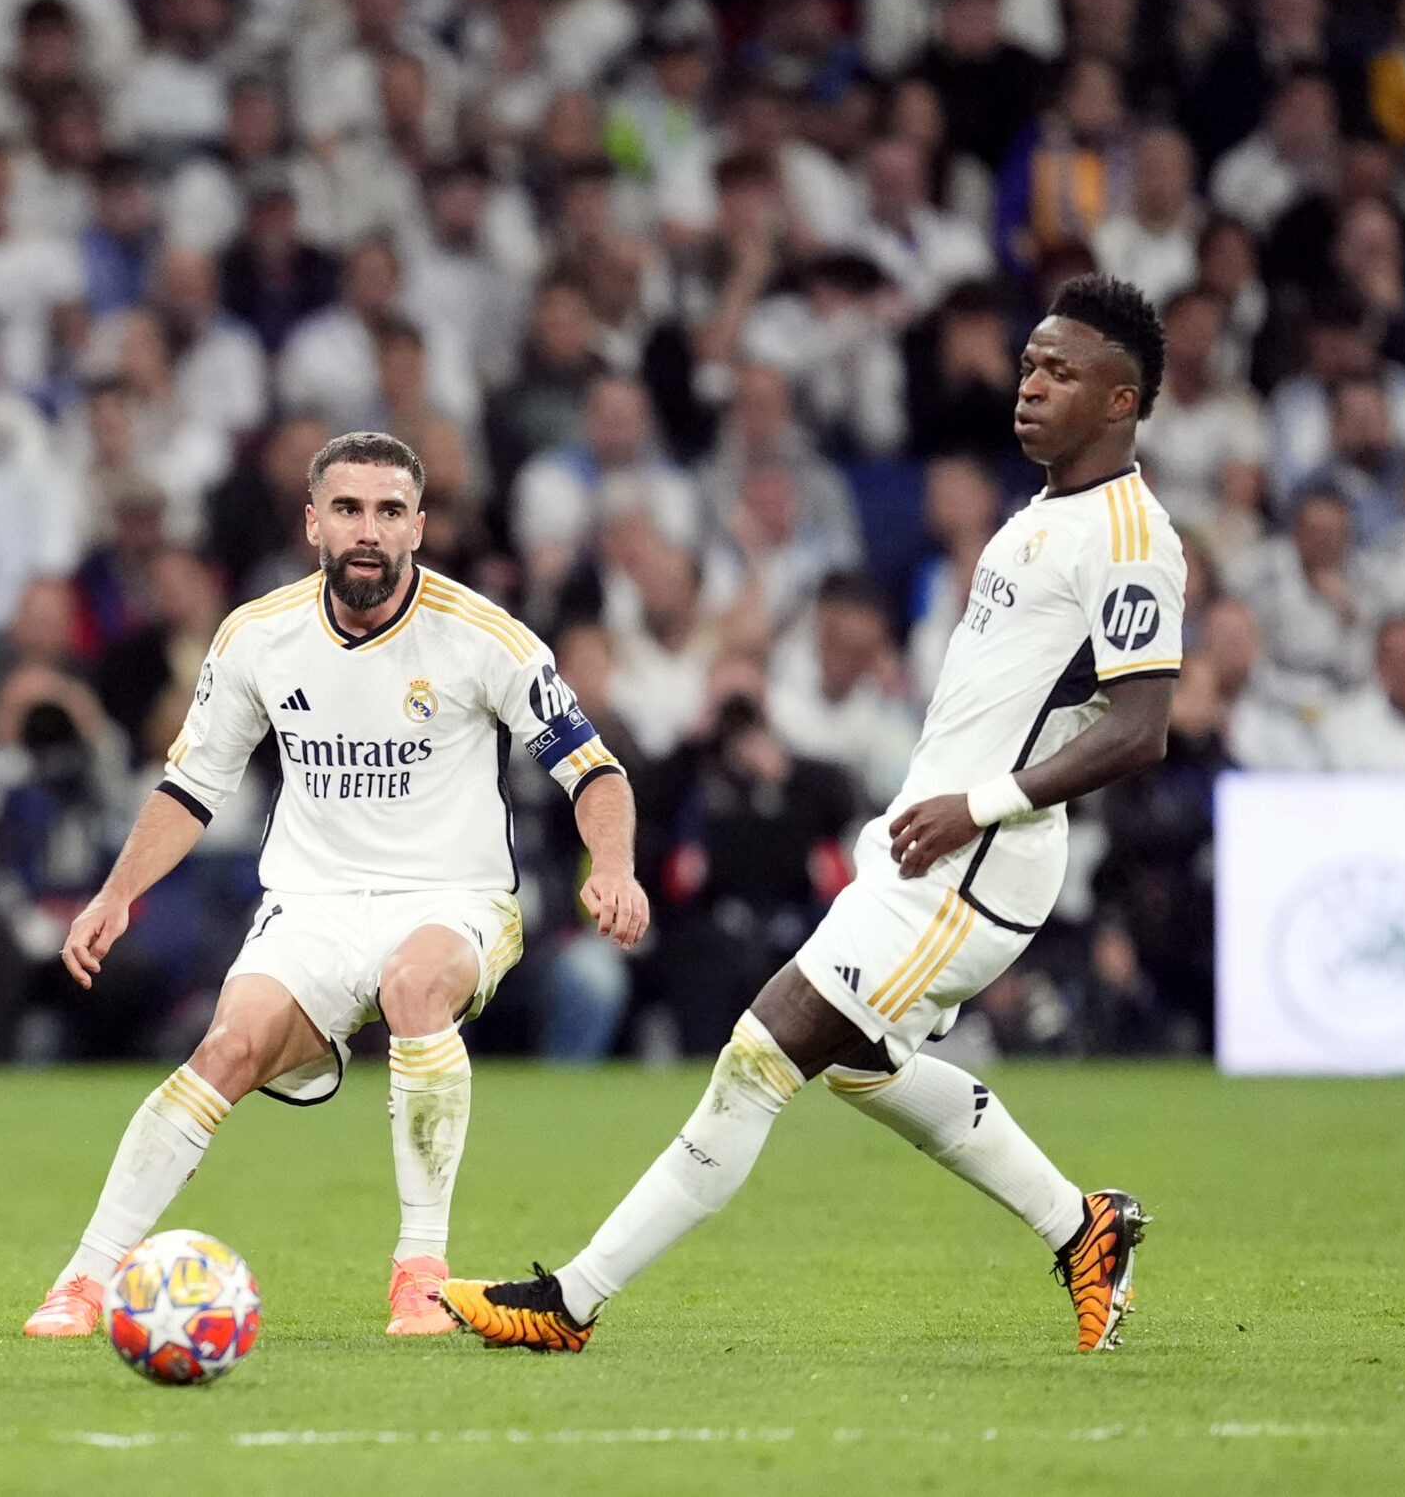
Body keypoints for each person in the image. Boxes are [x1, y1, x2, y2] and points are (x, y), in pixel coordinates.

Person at [443, 275, 1183, 1356]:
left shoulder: (1129, 534)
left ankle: (570, 1302)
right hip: (931, 845)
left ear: (1121, 402)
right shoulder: (1041, 513)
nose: (1028, 386)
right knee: (857, 1065)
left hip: (977, 863)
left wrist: (971, 805)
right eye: (1027, 363)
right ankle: (1081, 1228)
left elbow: (1141, 726)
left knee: (758, 1056)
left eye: (1059, 372)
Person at [19, 431, 650, 1341]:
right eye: (348, 509)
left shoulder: (483, 637)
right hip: (312, 906)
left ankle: (420, 1273)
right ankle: (82, 1280)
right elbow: (192, 786)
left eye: (389, 511)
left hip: (453, 898)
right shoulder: (258, 637)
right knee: (224, 1053)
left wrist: (616, 869)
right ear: (313, 520)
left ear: (419, 527)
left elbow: (595, 771)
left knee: (414, 984)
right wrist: (116, 896)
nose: (368, 530)